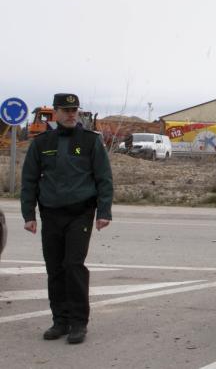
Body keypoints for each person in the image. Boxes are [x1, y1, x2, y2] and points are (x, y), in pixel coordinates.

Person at [21, 93, 114, 344]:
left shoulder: (89, 141)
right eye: (66, 110)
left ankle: (78, 323)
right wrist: (28, 214)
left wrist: (104, 212)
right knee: (55, 268)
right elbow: (29, 179)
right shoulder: (42, 142)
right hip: (50, 212)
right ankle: (59, 321)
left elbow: (103, 178)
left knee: (73, 265)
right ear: (56, 112)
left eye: (75, 110)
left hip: (80, 213)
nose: (72, 114)